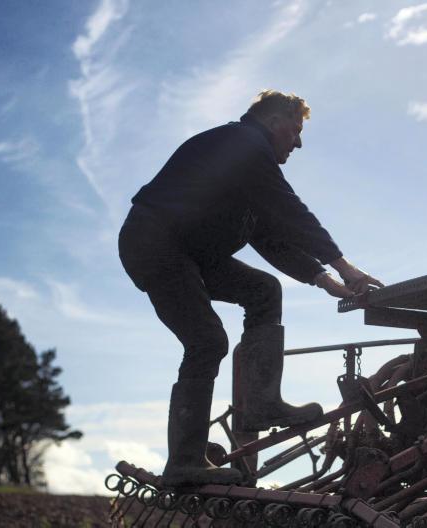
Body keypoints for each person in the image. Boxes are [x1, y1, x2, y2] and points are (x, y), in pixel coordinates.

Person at [118, 90, 383, 486]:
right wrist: (344, 266)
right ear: (274, 122)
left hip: (185, 252)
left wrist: (323, 279)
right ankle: (184, 461)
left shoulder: (242, 167)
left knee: (263, 290)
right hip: (157, 243)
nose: (299, 143)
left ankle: (261, 404)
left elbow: (271, 237)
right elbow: (291, 210)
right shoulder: (243, 143)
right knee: (206, 341)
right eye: (295, 131)